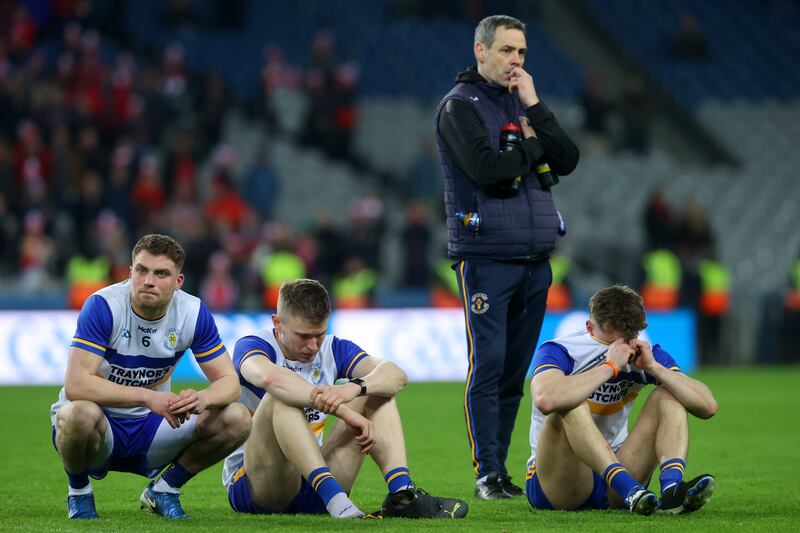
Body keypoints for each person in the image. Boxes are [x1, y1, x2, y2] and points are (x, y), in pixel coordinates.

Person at [435, 14, 579, 499]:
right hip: (486, 257)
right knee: (489, 365)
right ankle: (488, 473)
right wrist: (532, 148)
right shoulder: (459, 106)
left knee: (515, 371)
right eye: (506, 50)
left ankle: (501, 471)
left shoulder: (522, 101)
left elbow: (568, 159)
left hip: (535, 259)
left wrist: (534, 105)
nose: (515, 60)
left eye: (521, 52)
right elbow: (489, 170)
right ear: (480, 51)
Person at [222, 279, 468, 519]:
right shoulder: (253, 346)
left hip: (312, 480)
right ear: (277, 323)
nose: (313, 346)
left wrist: (352, 389)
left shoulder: (332, 348)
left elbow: (396, 375)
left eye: (319, 334)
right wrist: (344, 411)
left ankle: (402, 496)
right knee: (279, 398)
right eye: (303, 336)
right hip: (259, 484)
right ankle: (336, 500)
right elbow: (271, 379)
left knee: (378, 390)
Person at [50, 234, 251, 520]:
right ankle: (79, 493)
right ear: (130, 272)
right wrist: (147, 396)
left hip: (152, 429)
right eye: (141, 270)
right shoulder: (104, 305)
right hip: (99, 427)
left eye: (161, 274)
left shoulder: (192, 312)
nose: (148, 281)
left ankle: (164, 490)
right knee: (76, 414)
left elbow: (230, 383)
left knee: (238, 417)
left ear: (178, 282)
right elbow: (76, 384)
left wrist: (202, 398)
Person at [526, 285, 717, 515]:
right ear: (589, 328)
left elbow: (707, 406)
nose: (620, 349)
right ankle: (630, 490)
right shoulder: (560, 350)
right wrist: (610, 366)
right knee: (569, 401)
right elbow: (546, 399)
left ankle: (671, 491)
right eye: (608, 343)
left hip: (617, 469)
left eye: (627, 340)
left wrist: (655, 368)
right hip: (562, 479)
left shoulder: (644, 354)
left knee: (669, 393)